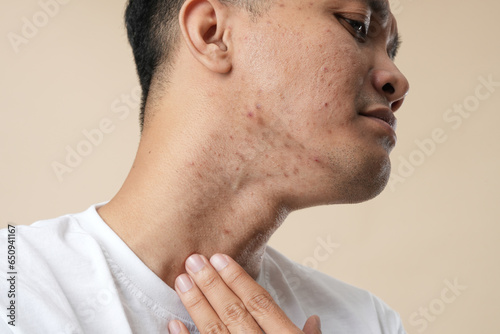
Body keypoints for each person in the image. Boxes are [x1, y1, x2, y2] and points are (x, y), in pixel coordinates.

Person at [0, 0, 410, 333]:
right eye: (357, 25)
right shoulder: (13, 288)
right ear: (212, 33)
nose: (398, 81)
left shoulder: (367, 322)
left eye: (390, 50)